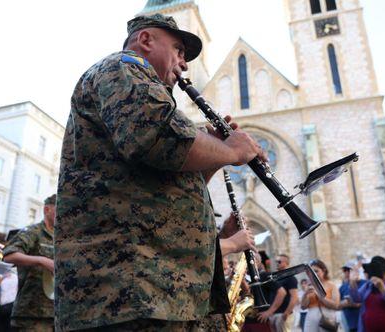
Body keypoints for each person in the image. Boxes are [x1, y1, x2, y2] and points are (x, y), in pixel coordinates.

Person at [54, 13, 265, 331]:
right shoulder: (124, 67)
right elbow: (156, 136)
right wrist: (233, 150)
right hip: (130, 289)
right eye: (178, 49)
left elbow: (172, 180)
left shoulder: (149, 91)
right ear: (146, 40)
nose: (184, 63)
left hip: (159, 290)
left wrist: (215, 156)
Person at [3, 194, 56, 331]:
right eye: (59, 210)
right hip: (31, 313)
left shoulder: (63, 237)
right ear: (47, 210)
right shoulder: (33, 232)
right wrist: (41, 260)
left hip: (57, 313)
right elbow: (9, 256)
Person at [257, 254, 298, 332]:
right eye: (276, 261)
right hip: (274, 314)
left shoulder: (291, 278)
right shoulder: (276, 277)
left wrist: (286, 313)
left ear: (286, 263)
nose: (277, 263)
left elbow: (294, 297)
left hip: (282, 314)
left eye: (279, 262)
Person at [301, 259, 340, 332]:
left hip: (327, 317)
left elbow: (335, 305)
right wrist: (305, 293)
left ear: (324, 271)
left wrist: (319, 295)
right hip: (311, 318)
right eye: (312, 272)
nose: (314, 274)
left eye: (316, 271)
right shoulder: (309, 286)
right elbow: (303, 307)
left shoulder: (331, 285)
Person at [338, 261, 364, 332]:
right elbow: (337, 305)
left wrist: (355, 304)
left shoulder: (364, 283)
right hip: (349, 324)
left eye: (349, 270)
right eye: (345, 270)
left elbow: (368, 302)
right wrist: (343, 303)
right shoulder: (342, 287)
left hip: (363, 322)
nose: (346, 272)